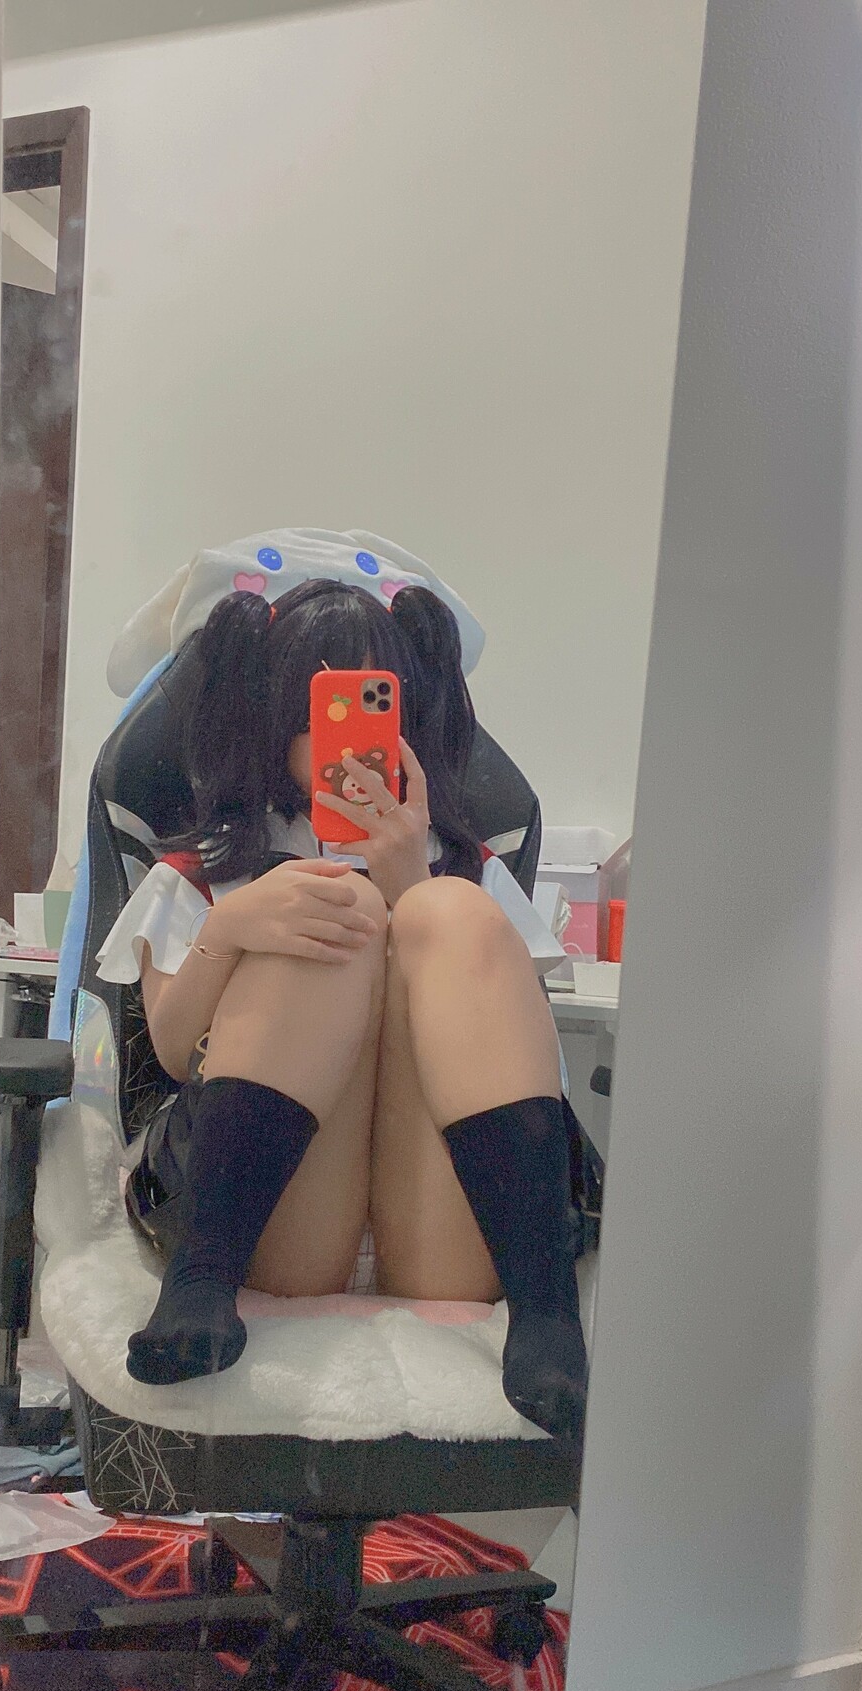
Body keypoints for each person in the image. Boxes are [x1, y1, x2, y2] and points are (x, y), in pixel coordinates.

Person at [96, 556, 587, 1442]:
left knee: (447, 913)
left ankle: (548, 1314)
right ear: (270, 720)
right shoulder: (203, 873)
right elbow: (169, 1051)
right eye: (321, 715)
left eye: (376, 709)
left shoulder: (471, 872)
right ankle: (199, 1285)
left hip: (443, 1229)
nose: (352, 744)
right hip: (270, 1224)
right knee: (327, 908)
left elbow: (520, 1055)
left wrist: (411, 885)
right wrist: (232, 927)